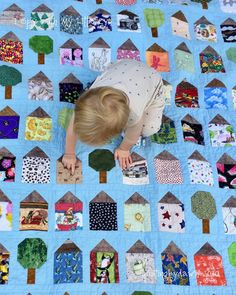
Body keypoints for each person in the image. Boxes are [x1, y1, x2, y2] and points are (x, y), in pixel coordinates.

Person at [62, 59, 164, 174]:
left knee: (148, 129)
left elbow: (132, 135)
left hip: (153, 83)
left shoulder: (133, 114)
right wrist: (69, 153)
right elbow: (73, 128)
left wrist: (124, 149)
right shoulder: (86, 104)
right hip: (123, 67)